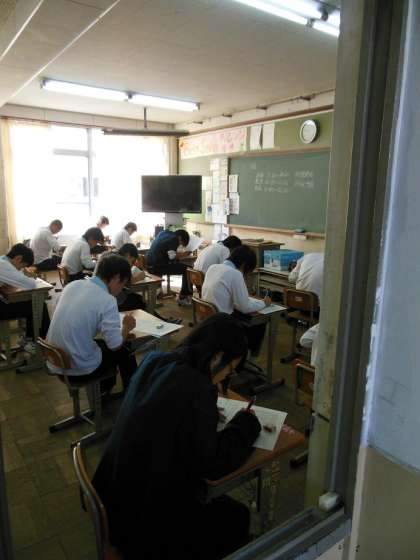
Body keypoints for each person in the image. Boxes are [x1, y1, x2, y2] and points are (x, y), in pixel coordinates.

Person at [92, 313, 261, 560]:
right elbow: (212, 464)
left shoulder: (155, 360)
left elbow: (164, 412)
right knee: (237, 516)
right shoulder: (197, 388)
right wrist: (245, 424)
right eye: (231, 368)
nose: (227, 375)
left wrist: (204, 414)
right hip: (146, 523)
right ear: (216, 357)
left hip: (112, 498)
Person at [46, 254, 138, 392]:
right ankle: (133, 393)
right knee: (125, 349)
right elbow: (115, 345)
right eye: (122, 285)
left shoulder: (72, 285)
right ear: (116, 278)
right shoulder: (107, 300)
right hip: (77, 368)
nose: (120, 291)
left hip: (55, 360)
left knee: (102, 344)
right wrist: (126, 327)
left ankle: (105, 388)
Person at [202, 245, 271, 355]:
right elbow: (245, 307)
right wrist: (264, 303)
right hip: (222, 320)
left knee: (247, 314)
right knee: (260, 320)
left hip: (208, 315)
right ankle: (244, 354)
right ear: (244, 264)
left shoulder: (213, 267)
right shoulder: (235, 273)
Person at [0, 244, 50, 344]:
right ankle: (35, 342)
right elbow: (30, 284)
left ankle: (31, 340)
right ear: (18, 258)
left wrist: (22, 273)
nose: (20, 269)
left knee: (34, 304)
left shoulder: (2, 259)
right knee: (38, 306)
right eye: (22, 266)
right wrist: (27, 274)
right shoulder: (4, 265)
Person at [146, 228, 192, 305]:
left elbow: (165, 251)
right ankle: (183, 297)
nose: (179, 245)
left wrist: (177, 254)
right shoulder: (174, 239)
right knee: (187, 269)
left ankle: (159, 292)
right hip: (157, 267)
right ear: (180, 237)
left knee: (180, 266)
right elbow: (172, 257)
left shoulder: (163, 233)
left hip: (149, 264)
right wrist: (184, 254)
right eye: (181, 243)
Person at [94, 244, 146, 312]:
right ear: (128, 255)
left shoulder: (108, 254)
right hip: (110, 299)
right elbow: (128, 281)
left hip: (98, 294)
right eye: (132, 261)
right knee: (139, 300)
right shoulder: (121, 261)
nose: (132, 265)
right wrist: (139, 277)